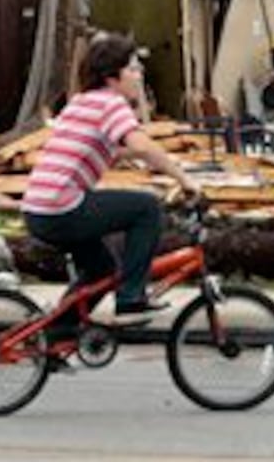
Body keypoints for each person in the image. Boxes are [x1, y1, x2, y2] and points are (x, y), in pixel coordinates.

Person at [22, 32, 201, 324]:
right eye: (131, 69)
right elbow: (140, 144)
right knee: (146, 208)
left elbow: (114, 150)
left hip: (40, 208)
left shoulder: (82, 102)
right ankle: (131, 298)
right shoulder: (110, 104)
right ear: (111, 77)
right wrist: (184, 179)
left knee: (101, 270)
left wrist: (155, 161)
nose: (139, 75)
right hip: (62, 207)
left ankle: (56, 335)